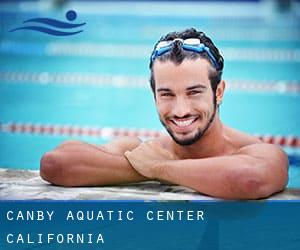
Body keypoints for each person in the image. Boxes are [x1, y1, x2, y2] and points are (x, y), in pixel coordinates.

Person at [40, 28, 288, 199]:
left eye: (194, 93)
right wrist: (158, 166)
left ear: (219, 91)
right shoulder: (142, 149)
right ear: (154, 95)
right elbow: (56, 164)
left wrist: (161, 168)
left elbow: (249, 180)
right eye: (167, 94)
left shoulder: (255, 151)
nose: (180, 111)